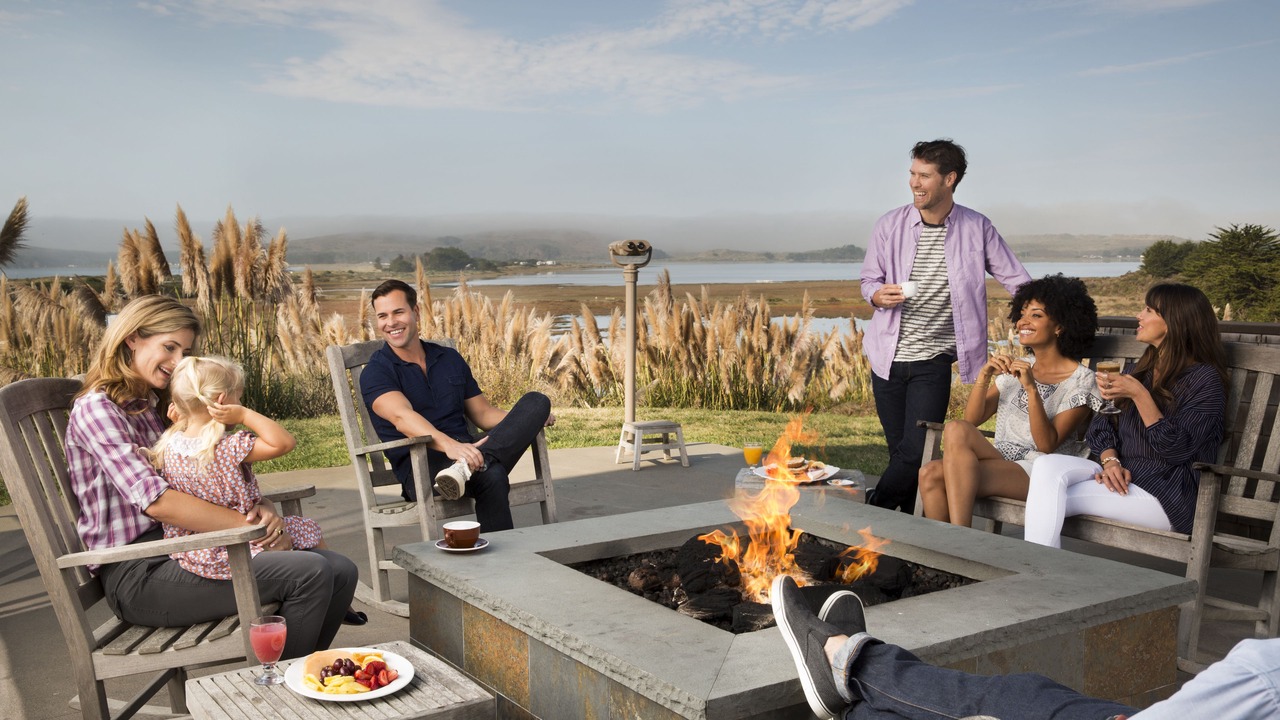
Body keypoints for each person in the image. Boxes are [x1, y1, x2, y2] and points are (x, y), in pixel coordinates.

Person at [65, 295, 357, 660]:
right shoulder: (97, 409)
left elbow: (201, 479)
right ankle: (286, 693)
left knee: (341, 570)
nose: (176, 364)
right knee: (310, 573)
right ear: (132, 338)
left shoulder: (153, 408)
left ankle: (300, 677)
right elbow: (159, 503)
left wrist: (260, 507)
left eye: (183, 353)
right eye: (168, 348)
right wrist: (253, 531)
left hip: (190, 549)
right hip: (141, 572)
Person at [771, 573, 1279, 719]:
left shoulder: (1267, 676)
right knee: (1029, 691)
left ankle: (842, 657)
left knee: (1002, 700)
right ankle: (850, 682)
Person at [861, 139, 1031, 513]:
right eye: (912, 174)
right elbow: (868, 280)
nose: (914, 183)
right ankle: (895, 536)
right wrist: (877, 296)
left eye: (924, 175)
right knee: (900, 454)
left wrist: (1048, 308)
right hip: (886, 356)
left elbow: (1017, 279)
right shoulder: (889, 224)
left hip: (932, 361)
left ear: (949, 179)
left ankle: (872, 510)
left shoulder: (977, 227)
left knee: (914, 452)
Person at [149, 355, 367, 625]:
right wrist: (244, 416)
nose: (241, 406)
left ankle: (337, 600)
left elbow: (192, 441)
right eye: (238, 399)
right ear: (222, 401)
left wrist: (183, 419)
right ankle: (339, 601)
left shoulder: (170, 445)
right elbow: (284, 443)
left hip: (198, 551)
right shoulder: (228, 447)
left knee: (300, 531)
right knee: (308, 530)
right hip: (245, 543)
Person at [1024, 283, 1227, 547]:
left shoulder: (1205, 380)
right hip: (1123, 477)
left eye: (1149, 310)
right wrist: (1110, 461)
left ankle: (1035, 574)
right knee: (1046, 466)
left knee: (1048, 498)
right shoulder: (1139, 369)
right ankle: (1039, 571)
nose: (1139, 316)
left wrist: (1140, 395)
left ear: (1175, 321)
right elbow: (1101, 426)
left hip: (1166, 494)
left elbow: (1176, 449)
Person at [360, 279, 555, 532]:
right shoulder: (376, 371)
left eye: (398, 312)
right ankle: (505, 563)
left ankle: (470, 467)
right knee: (492, 474)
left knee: (537, 402)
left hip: (469, 452)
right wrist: (451, 446)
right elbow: (401, 417)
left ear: (415, 312)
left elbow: (483, 414)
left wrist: (526, 419)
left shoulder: (448, 358)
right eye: (382, 316)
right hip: (423, 469)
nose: (391, 322)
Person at [919, 275, 1099, 528]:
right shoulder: (1018, 369)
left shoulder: (1081, 381)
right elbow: (969, 423)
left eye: (1036, 315)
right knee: (951, 435)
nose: (1024, 321)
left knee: (933, 475)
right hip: (1002, 458)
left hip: (1042, 469)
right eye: (1022, 314)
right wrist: (983, 377)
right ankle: (950, 556)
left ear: (1060, 325)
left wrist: (1031, 388)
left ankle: (961, 541)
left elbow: (1046, 444)